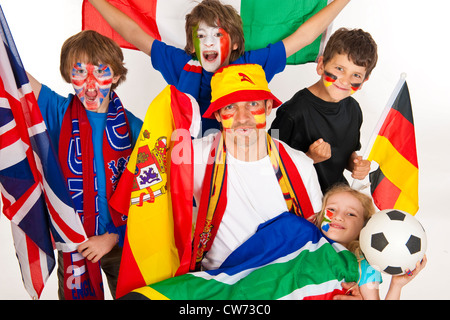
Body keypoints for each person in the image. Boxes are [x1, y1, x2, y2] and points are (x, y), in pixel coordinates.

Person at [88, 0, 350, 134]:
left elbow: (304, 36)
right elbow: (132, 31)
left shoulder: (251, 64)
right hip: (189, 161)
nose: (208, 43)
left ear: (235, 43)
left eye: (217, 35)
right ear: (192, 46)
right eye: (201, 37)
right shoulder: (182, 64)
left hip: (240, 159)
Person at [27, 30, 143, 299]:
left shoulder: (134, 126)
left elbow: (148, 192)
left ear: (115, 77)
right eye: (79, 73)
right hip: (74, 243)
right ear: (69, 76)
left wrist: (113, 236)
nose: (90, 86)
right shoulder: (58, 111)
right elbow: (16, 78)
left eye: (100, 73)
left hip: (122, 243)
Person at [269, 28, 378, 193]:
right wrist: (309, 158)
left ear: (363, 81)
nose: (345, 81)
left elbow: (346, 154)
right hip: (299, 198)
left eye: (356, 75)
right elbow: (270, 166)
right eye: (339, 69)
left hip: (336, 197)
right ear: (321, 65)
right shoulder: (291, 112)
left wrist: (356, 163)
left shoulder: (354, 110)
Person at [315, 184, 427, 299]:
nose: (338, 217)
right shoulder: (307, 246)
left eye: (350, 214)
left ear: (365, 227)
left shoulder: (364, 266)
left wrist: (396, 285)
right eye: (331, 209)